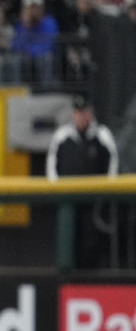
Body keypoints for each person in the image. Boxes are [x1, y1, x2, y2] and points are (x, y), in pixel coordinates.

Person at [46, 93, 119, 269]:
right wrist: (57, 193)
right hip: (68, 203)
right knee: (69, 242)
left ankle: (92, 279)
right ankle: (67, 278)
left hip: (94, 204)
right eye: (78, 112)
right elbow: (51, 168)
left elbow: (113, 166)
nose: (81, 115)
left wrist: (105, 194)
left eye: (84, 111)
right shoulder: (62, 136)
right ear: (73, 114)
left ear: (90, 113)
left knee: (93, 244)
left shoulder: (102, 135)